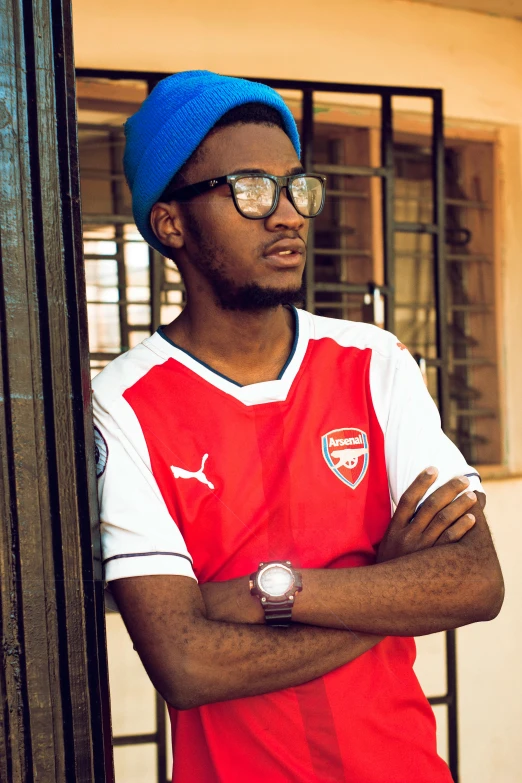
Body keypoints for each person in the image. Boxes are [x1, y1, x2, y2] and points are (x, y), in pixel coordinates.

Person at [93, 70, 504, 783]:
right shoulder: (124, 401)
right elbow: (186, 663)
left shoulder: (373, 362)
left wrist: (265, 592)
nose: (286, 214)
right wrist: (385, 587)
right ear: (171, 222)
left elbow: (474, 580)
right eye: (251, 189)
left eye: (295, 188)